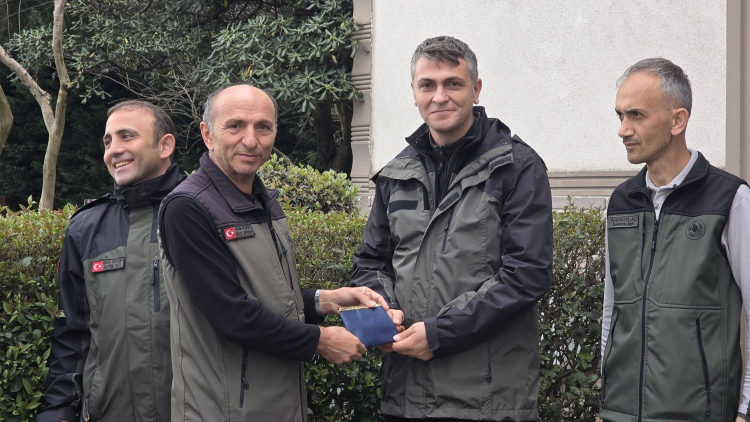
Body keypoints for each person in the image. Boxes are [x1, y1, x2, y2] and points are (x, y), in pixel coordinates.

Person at [157, 84, 396, 422]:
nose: (251, 140)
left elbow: (268, 299)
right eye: (235, 126)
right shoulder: (187, 207)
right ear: (208, 134)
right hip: (223, 409)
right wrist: (320, 339)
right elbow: (232, 314)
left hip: (278, 403)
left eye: (263, 127)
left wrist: (327, 300)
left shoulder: (265, 200)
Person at [349, 36, 553, 422]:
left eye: (453, 84)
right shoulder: (396, 173)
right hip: (404, 395)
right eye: (428, 85)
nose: (439, 96)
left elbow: (526, 275)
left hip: (487, 401)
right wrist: (382, 312)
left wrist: (440, 333)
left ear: (476, 89)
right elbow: (370, 262)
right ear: (414, 92)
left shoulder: (516, 167)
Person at [598, 58, 750, 422]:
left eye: (636, 115)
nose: (623, 129)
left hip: (699, 413)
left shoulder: (730, 199)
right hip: (621, 412)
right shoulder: (621, 201)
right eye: (620, 115)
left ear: (677, 121)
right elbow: (612, 309)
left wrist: (745, 409)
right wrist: (607, 400)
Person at [37, 100, 182, 422]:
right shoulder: (85, 228)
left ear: (165, 146)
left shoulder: (201, 213)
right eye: (108, 141)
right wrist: (59, 410)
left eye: (127, 136)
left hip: (194, 411)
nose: (114, 149)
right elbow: (72, 332)